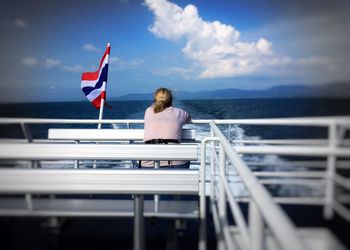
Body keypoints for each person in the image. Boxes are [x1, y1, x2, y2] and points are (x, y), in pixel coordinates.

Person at [140, 87, 191, 168]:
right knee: (186, 161)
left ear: (155, 99)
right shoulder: (179, 112)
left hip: (148, 164)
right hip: (175, 163)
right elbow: (189, 119)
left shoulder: (148, 111)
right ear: (171, 100)